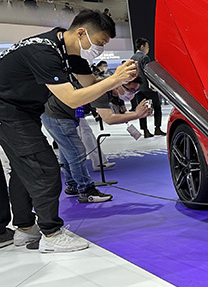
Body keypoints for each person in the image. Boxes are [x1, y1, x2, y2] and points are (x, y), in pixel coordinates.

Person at [0, 9, 138, 252]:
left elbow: (91, 85)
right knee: (43, 168)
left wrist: (121, 82)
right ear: (82, 33)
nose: (100, 49)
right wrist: (114, 80)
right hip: (7, 110)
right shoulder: (44, 51)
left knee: (24, 169)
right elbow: (72, 99)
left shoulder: (69, 53)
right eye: (100, 42)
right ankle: (51, 234)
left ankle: (25, 228)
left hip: (23, 111)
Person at [41, 56, 148, 203]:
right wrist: (136, 114)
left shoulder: (110, 91)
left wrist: (135, 114)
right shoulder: (102, 89)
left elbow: (118, 113)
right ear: (119, 85)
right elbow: (109, 118)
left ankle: (73, 184)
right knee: (76, 152)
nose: (131, 94)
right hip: (57, 115)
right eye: (130, 90)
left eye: (134, 92)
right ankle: (86, 190)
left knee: (68, 152)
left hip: (62, 114)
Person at [131, 37, 165, 138]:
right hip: (147, 88)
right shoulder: (144, 58)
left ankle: (145, 130)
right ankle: (157, 128)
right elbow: (148, 73)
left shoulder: (132, 58)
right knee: (157, 107)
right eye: (147, 47)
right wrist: (154, 86)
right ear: (142, 47)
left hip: (137, 88)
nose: (148, 49)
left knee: (141, 109)